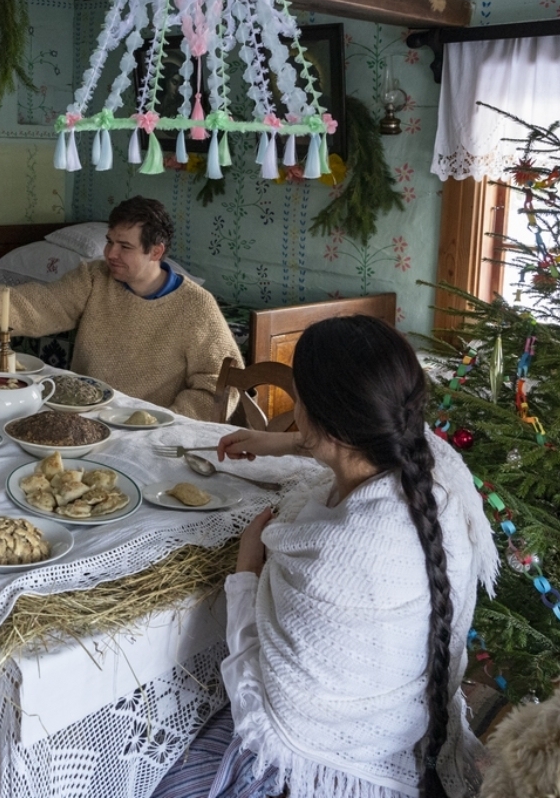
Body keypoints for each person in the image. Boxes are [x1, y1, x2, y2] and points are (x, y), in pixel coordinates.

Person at [152, 315, 499, 798]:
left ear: (329, 423)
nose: (295, 411)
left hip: (330, 769)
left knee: (161, 765)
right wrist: (285, 441)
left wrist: (247, 572)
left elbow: (264, 717)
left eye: (299, 400)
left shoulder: (335, 558)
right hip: (406, 736)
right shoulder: (430, 472)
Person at [0, 196, 241, 421]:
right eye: (110, 242)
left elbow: (221, 384)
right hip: (83, 414)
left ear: (156, 251)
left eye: (125, 247)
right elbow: (44, 303)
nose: (110, 253)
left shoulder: (195, 306)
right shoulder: (94, 277)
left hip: (147, 429)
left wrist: (167, 421)